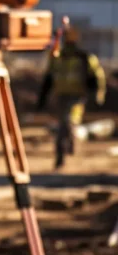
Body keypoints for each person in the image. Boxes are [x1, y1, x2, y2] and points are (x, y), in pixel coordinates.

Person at [37, 26, 105, 169]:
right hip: (60, 95)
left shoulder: (85, 58)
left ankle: (61, 154)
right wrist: (42, 98)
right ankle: (70, 143)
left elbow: (96, 77)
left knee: (66, 122)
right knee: (67, 122)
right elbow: (48, 78)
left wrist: (97, 95)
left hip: (77, 96)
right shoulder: (57, 57)